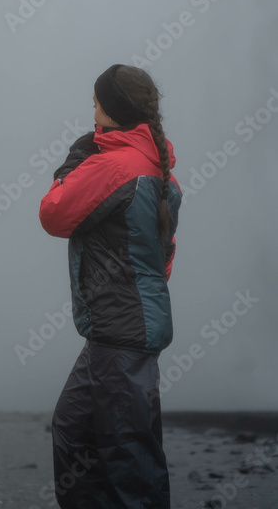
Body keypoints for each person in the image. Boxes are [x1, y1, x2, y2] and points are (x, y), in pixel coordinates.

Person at [38, 63, 182, 509]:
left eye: (97, 100)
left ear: (113, 109)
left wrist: (73, 162)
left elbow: (54, 214)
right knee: (74, 429)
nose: (92, 106)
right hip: (117, 331)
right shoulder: (159, 170)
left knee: (128, 457)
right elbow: (164, 256)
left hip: (121, 334)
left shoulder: (114, 166)